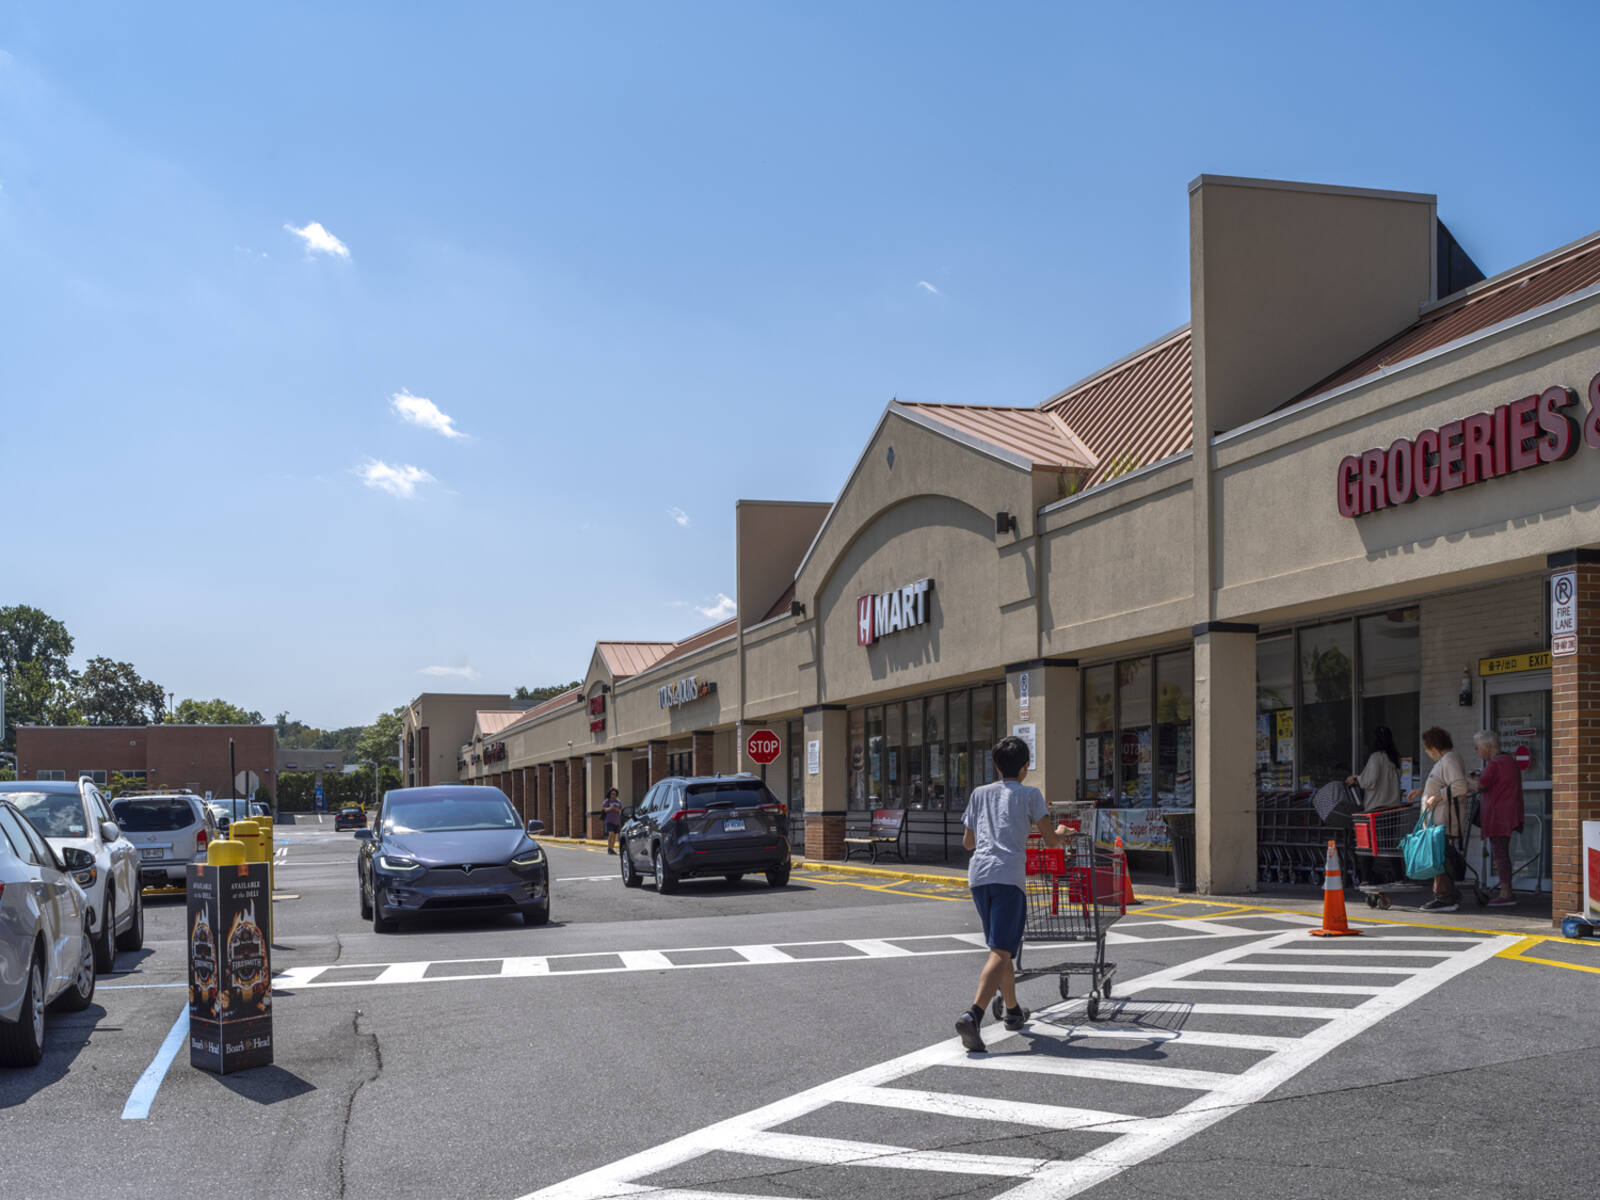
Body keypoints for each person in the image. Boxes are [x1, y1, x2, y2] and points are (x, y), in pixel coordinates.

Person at [955, 736, 1072, 1053]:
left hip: (978, 875)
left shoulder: (980, 794)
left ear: (995, 765)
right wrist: (1062, 833)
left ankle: (1013, 1010)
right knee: (1001, 949)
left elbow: (968, 843)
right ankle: (974, 1013)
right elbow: (1050, 841)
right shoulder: (1030, 794)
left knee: (1001, 948)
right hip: (1008, 875)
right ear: (1025, 768)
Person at [1407, 726, 1467, 912]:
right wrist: (1422, 792)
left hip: (1443, 820)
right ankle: (1447, 894)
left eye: (1427, 748)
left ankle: (1444, 897)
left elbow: (1460, 786)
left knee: (1439, 857)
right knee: (1440, 856)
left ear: (1434, 747)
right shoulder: (1446, 760)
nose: (1427, 752)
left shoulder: (1448, 760)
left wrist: (1438, 796)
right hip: (1439, 820)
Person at [1473, 731, 1524, 907]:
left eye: (1477, 748)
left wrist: (1464, 779)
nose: (1477, 752)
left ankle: (1506, 893)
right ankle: (1507, 890)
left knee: (1500, 855)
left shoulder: (1495, 764)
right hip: (1509, 814)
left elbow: (1480, 784)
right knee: (1503, 854)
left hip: (1498, 817)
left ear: (1487, 746)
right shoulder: (1509, 761)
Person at [1346, 726, 1402, 812]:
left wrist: (1356, 779)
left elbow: (1370, 780)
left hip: (1377, 808)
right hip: (1393, 808)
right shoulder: (1395, 759)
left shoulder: (1376, 757)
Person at [602, 787, 623, 855]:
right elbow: (605, 810)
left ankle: (612, 849)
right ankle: (609, 848)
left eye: (614, 794)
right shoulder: (607, 801)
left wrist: (616, 809)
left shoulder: (618, 802)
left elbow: (620, 811)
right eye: (612, 794)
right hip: (609, 820)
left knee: (614, 836)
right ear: (610, 794)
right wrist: (611, 807)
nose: (613, 795)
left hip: (616, 821)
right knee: (611, 834)